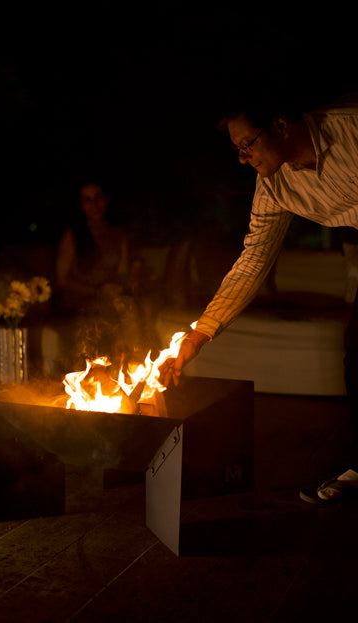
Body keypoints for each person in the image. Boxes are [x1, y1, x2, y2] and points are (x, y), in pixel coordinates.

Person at [158, 88, 358, 505]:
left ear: (281, 126)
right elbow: (253, 261)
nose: (242, 158)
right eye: (237, 150)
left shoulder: (350, 129)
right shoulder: (274, 187)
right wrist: (198, 335)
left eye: (247, 145)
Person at [54, 180, 144, 363]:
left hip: (110, 296)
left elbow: (123, 273)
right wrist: (97, 291)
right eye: (88, 200)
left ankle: (134, 364)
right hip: (80, 298)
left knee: (133, 307)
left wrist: (132, 278)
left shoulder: (118, 234)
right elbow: (61, 279)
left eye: (98, 198)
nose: (94, 205)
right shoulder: (73, 236)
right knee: (108, 312)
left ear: (106, 200)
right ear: (80, 205)